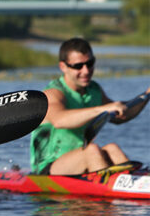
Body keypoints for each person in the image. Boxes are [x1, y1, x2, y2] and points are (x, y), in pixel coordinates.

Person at [30, 37, 150, 176]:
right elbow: (59, 120)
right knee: (92, 151)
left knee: (112, 148)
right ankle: (109, 193)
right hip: (48, 167)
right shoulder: (53, 94)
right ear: (63, 67)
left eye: (90, 63)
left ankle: (136, 184)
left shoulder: (94, 90)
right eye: (78, 66)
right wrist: (103, 108)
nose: (86, 71)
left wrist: (147, 94)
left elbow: (122, 115)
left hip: (81, 161)